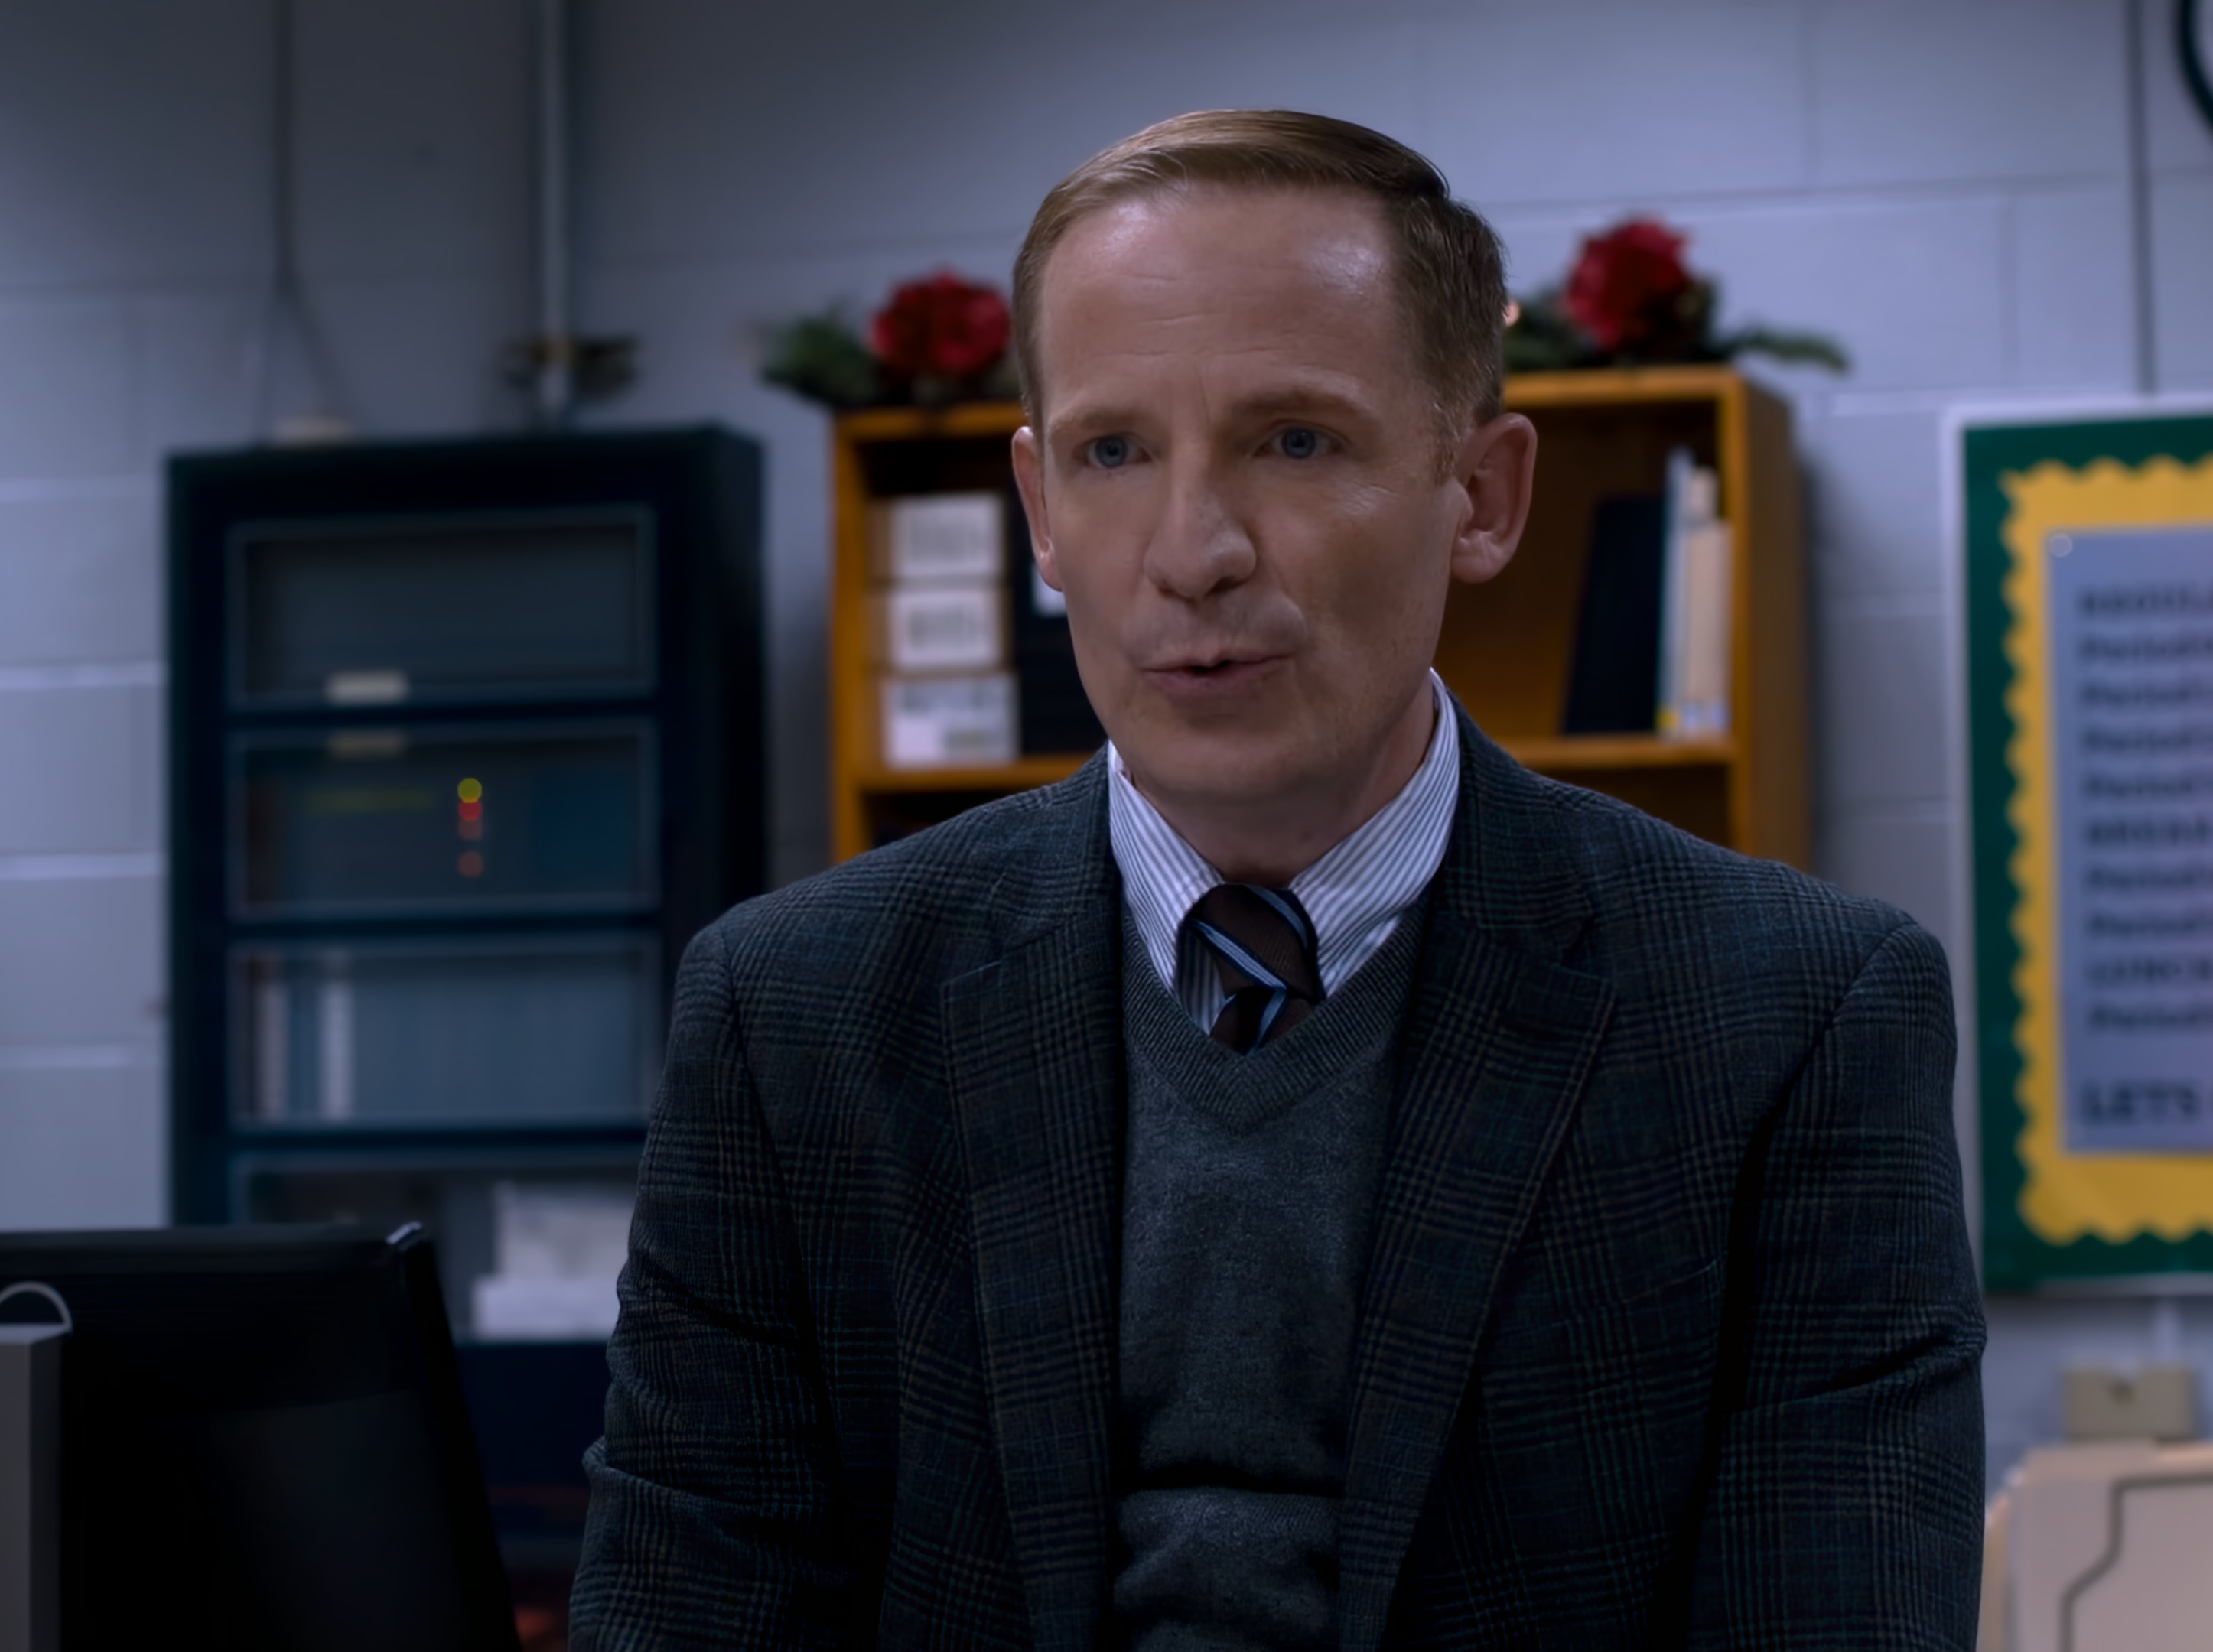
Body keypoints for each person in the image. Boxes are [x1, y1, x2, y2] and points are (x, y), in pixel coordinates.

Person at [572, 109, 1984, 1648]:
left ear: (1483, 495)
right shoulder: (795, 1017)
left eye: (1295, 441)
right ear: (1040, 513)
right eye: (1115, 454)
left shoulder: (1787, 1020)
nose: (1195, 552)